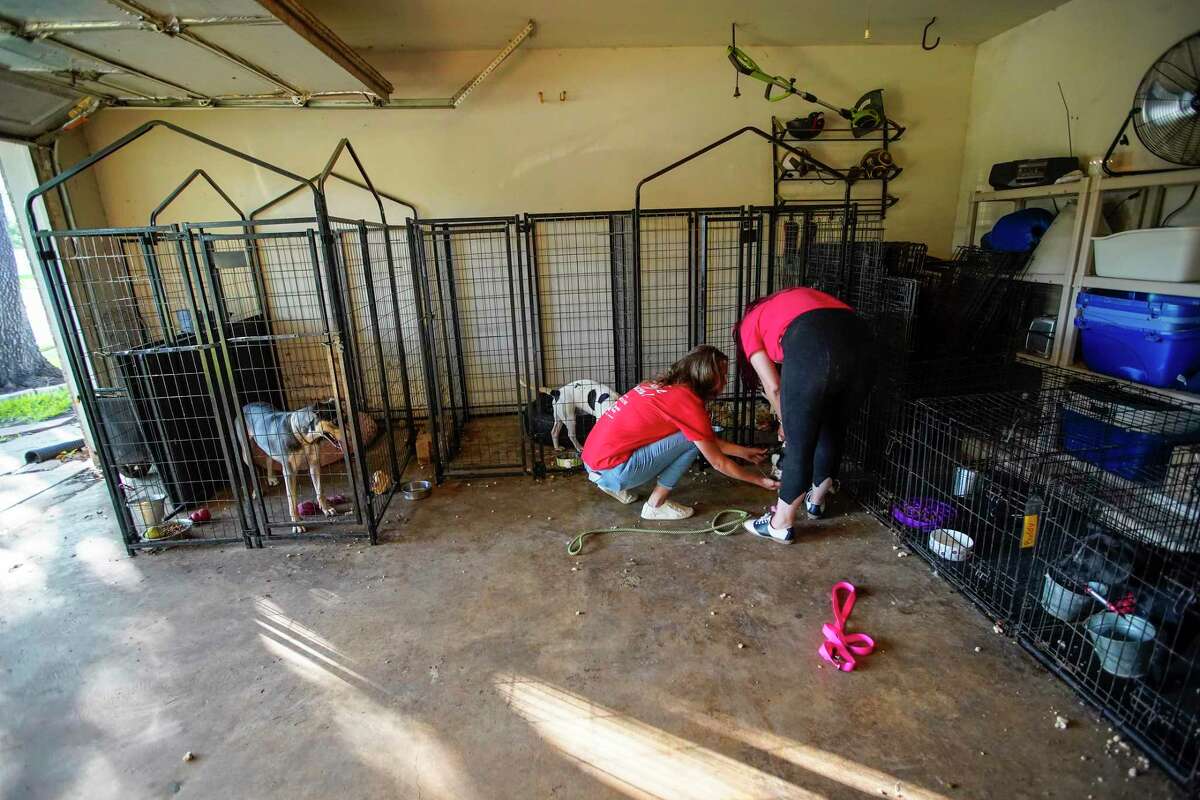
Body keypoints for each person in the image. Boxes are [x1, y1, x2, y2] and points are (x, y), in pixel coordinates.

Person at [735, 287, 873, 543]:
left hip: (814, 342)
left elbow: (773, 386)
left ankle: (780, 523)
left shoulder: (749, 324)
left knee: (799, 442)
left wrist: (784, 421)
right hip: (863, 342)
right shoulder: (792, 298)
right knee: (833, 427)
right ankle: (817, 502)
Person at [581, 345, 779, 520]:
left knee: (689, 438)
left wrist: (743, 451)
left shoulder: (654, 386)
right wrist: (759, 480)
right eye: (723, 375)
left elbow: (703, 439)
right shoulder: (688, 404)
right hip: (614, 472)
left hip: (592, 463)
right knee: (689, 440)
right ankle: (655, 506)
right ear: (707, 376)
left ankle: (608, 483)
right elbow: (717, 462)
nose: (726, 381)